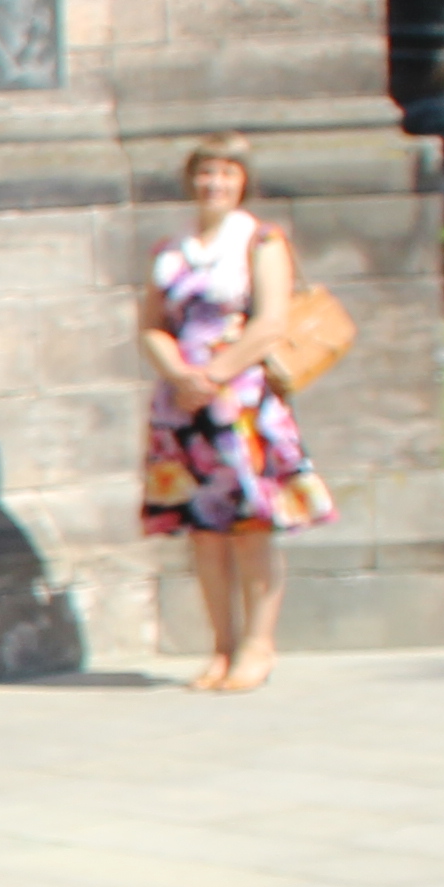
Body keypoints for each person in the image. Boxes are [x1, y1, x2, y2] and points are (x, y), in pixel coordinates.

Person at [138, 130, 335, 690]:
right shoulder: (170, 251)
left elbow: (270, 322)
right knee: (205, 530)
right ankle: (221, 648)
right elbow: (151, 324)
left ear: (242, 181)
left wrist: (215, 375)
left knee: (251, 525)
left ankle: (258, 645)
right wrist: (179, 373)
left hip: (242, 401)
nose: (214, 183)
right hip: (183, 404)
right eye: (206, 172)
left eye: (226, 173)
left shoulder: (260, 240)